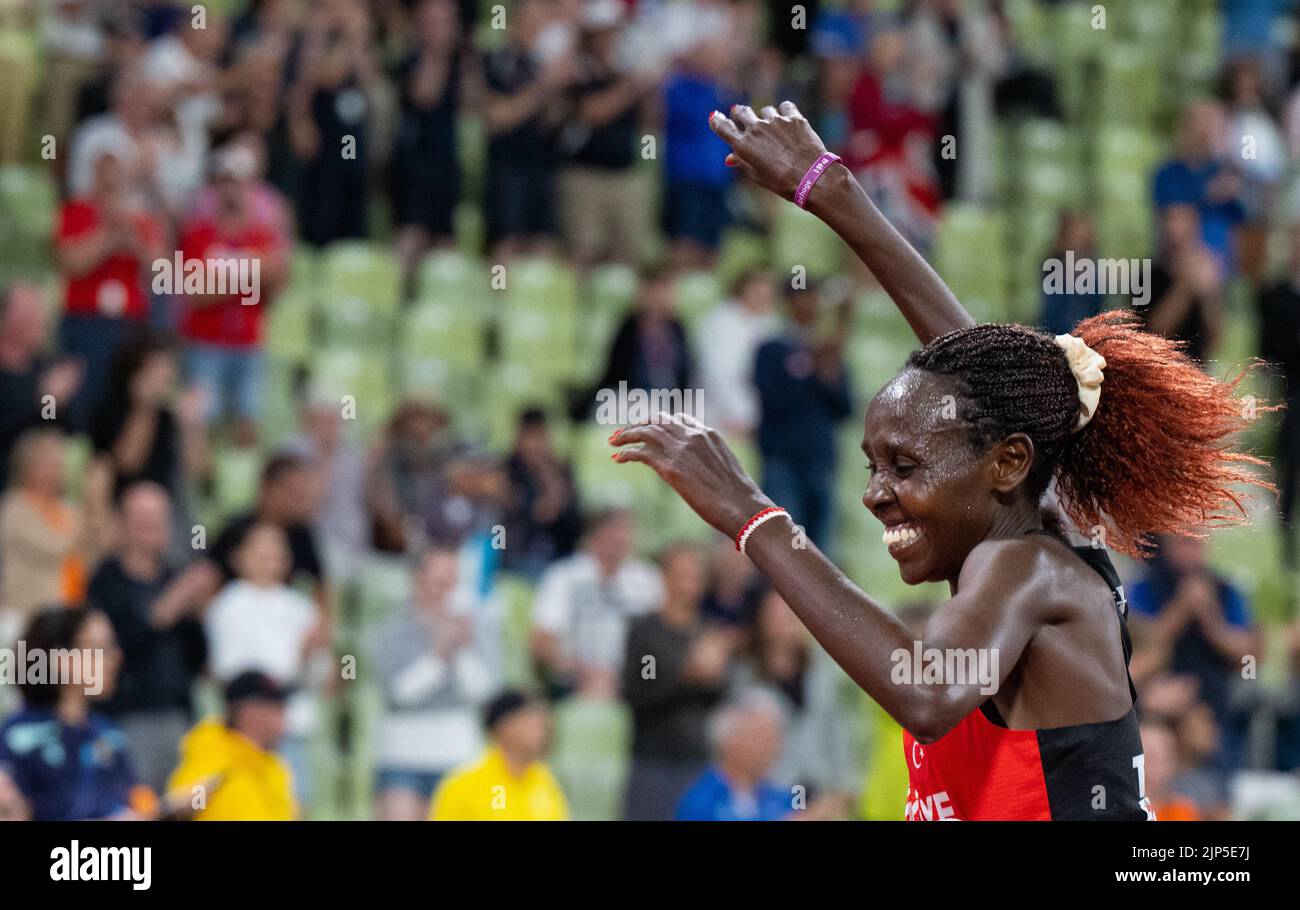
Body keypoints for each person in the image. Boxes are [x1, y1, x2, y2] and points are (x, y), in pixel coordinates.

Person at [610, 101, 1271, 819]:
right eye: (872, 465)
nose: (875, 494)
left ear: (1007, 464)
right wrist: (829, 192)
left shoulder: (1024, 568)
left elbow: (926, 691)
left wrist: (752, 517)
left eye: (903, 465)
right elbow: (980, 377)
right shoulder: (1029, 528)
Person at [88, 481, 205, 794]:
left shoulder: (174, 576)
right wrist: (167, 609)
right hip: (127, 718)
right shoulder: (104, 580)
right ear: (122, 524)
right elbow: (110, 650)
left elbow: (197, 656)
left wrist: (195, 615)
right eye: (142, 519)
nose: (151, 527)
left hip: (178, 714)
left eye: (158, 518)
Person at [203, 523, 332, 802]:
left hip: (294, 729)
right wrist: (299, 655)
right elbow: (237, 677)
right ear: (238, 558)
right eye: (259, 550)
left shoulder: (303, 608)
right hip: (248, 736)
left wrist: (312, 656)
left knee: (293, 805)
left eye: (275, 550)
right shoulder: (226, 606)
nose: (268, 558)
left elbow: (322, 679)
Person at [176, 141, 290, 446]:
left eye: (238, 182)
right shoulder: (199, 233)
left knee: (247, 420)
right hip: (205, 342)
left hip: (247, 342)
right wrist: (251, 274)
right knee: (200, 423)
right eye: (225, 182)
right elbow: (196, 291)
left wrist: (222, 281)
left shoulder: (261, 235)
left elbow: (279, 282)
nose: (231, 191)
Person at [370, 546, 495, 820]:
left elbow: (482, 691)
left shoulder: (477, 630)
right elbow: (399, 693)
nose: (445, 591)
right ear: (416, 581)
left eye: (452, 582)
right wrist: (439, 654)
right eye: (438, 582)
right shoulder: (392, 631)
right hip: (402, 755)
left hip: (457, 753)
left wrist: (462, 650)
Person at [621, 543, 736, 820]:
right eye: (680, 574)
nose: (687, 584)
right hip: (652, 760)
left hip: (699, 759)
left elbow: (721, 699)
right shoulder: (645, 631)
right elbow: (638, 693)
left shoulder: (708, 633)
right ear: (664, 578)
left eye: (694, 576)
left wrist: (717, 674)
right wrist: (688, 676)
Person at [1127, 534, 1256, 770]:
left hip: (1214, 709)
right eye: (1185, 542)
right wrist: (1181, 609)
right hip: (1153, 707)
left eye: (1198, 543)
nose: (1192, 552)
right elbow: (1138, 644)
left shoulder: (1225, 590)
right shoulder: (1144, 586)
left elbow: (1249, 657)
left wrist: (1211, 620)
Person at [0, 607, 140, 820]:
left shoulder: (110, 734)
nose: (116, 657)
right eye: (100, 649)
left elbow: (134, 800)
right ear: (62, 659)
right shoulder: (19, 737)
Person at [753, 279, 853, 552]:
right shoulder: (770, 349)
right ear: (788, 303)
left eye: (813, 298)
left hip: (821, 463)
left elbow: (845, 408)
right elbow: (773, 400)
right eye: (803, 297)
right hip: (782, 462)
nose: (810, 304)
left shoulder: (830, 353)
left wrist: (826, 371)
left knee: (822, 552)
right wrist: (813, 365)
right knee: (785, 547)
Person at [529, 508, 663, 700]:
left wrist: (640, 674)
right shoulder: (563, 576)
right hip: (574, 682)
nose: (620, 537)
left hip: (633, 683)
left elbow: (659, 638)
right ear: (593, 535)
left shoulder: (647, 579)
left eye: (626, 529)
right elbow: (542, 641)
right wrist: (583, 673)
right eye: (612, 529)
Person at [166, 670, 297, 821]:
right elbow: (187, 806)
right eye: (278, 711)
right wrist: (198, 797)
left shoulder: (274, 767)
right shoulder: (214, 751)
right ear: (251, 714)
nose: (285, 722)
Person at [428, 690, 568, 821]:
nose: (543, 733)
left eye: (543, 726)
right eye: (532, 725)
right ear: (503, 727)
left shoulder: (544, 780)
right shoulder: (464, 783)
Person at [0, 282, 82, 492]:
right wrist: (48, 398)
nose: (40, 321)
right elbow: (11, 432)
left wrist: (53, 401)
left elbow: (52, 428)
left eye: (41, 313)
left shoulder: (44, 368)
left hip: (36, 489)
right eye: (30, 314)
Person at [675, 689, 793, 821]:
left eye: (774, 738)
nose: (772, 747)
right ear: (728, 741)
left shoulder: (780, 797)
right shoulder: (700, 801)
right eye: (760, 737)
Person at [694, 270, 781, 439]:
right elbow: (716, 374)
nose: (763, 295)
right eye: (758, 289)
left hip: (762, 418)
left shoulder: (774, 326)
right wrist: (738, 415)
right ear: (743, 289)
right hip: (719, 413)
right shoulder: (719, 322)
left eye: (769, 291)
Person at [500, 408, 583, 580]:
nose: (535, 445)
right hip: (518, 556)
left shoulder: (561, 470)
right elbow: (539, 514)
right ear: (518, 437)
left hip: (561, 555)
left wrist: (549, 474)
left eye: (540, 436)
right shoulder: (506, 471)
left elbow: (574, 521)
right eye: (530, 436)